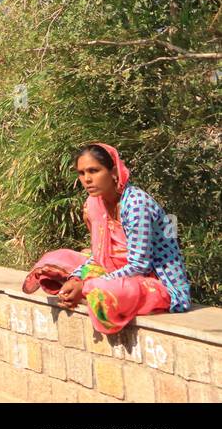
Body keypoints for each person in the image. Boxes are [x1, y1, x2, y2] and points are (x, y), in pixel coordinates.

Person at [23, 143, 190, 334]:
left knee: (102, 290)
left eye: (94, 171)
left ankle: (88, 292)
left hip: (154, 281)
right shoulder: (94, 203)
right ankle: (81, 289)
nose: (87, 179)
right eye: (81, 173)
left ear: (113, 172)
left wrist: (85, 285)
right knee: (55, 260)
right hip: (114, 270)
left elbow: (140, 266)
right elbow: (98, 256)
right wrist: (76, 278)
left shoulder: (136, 203)